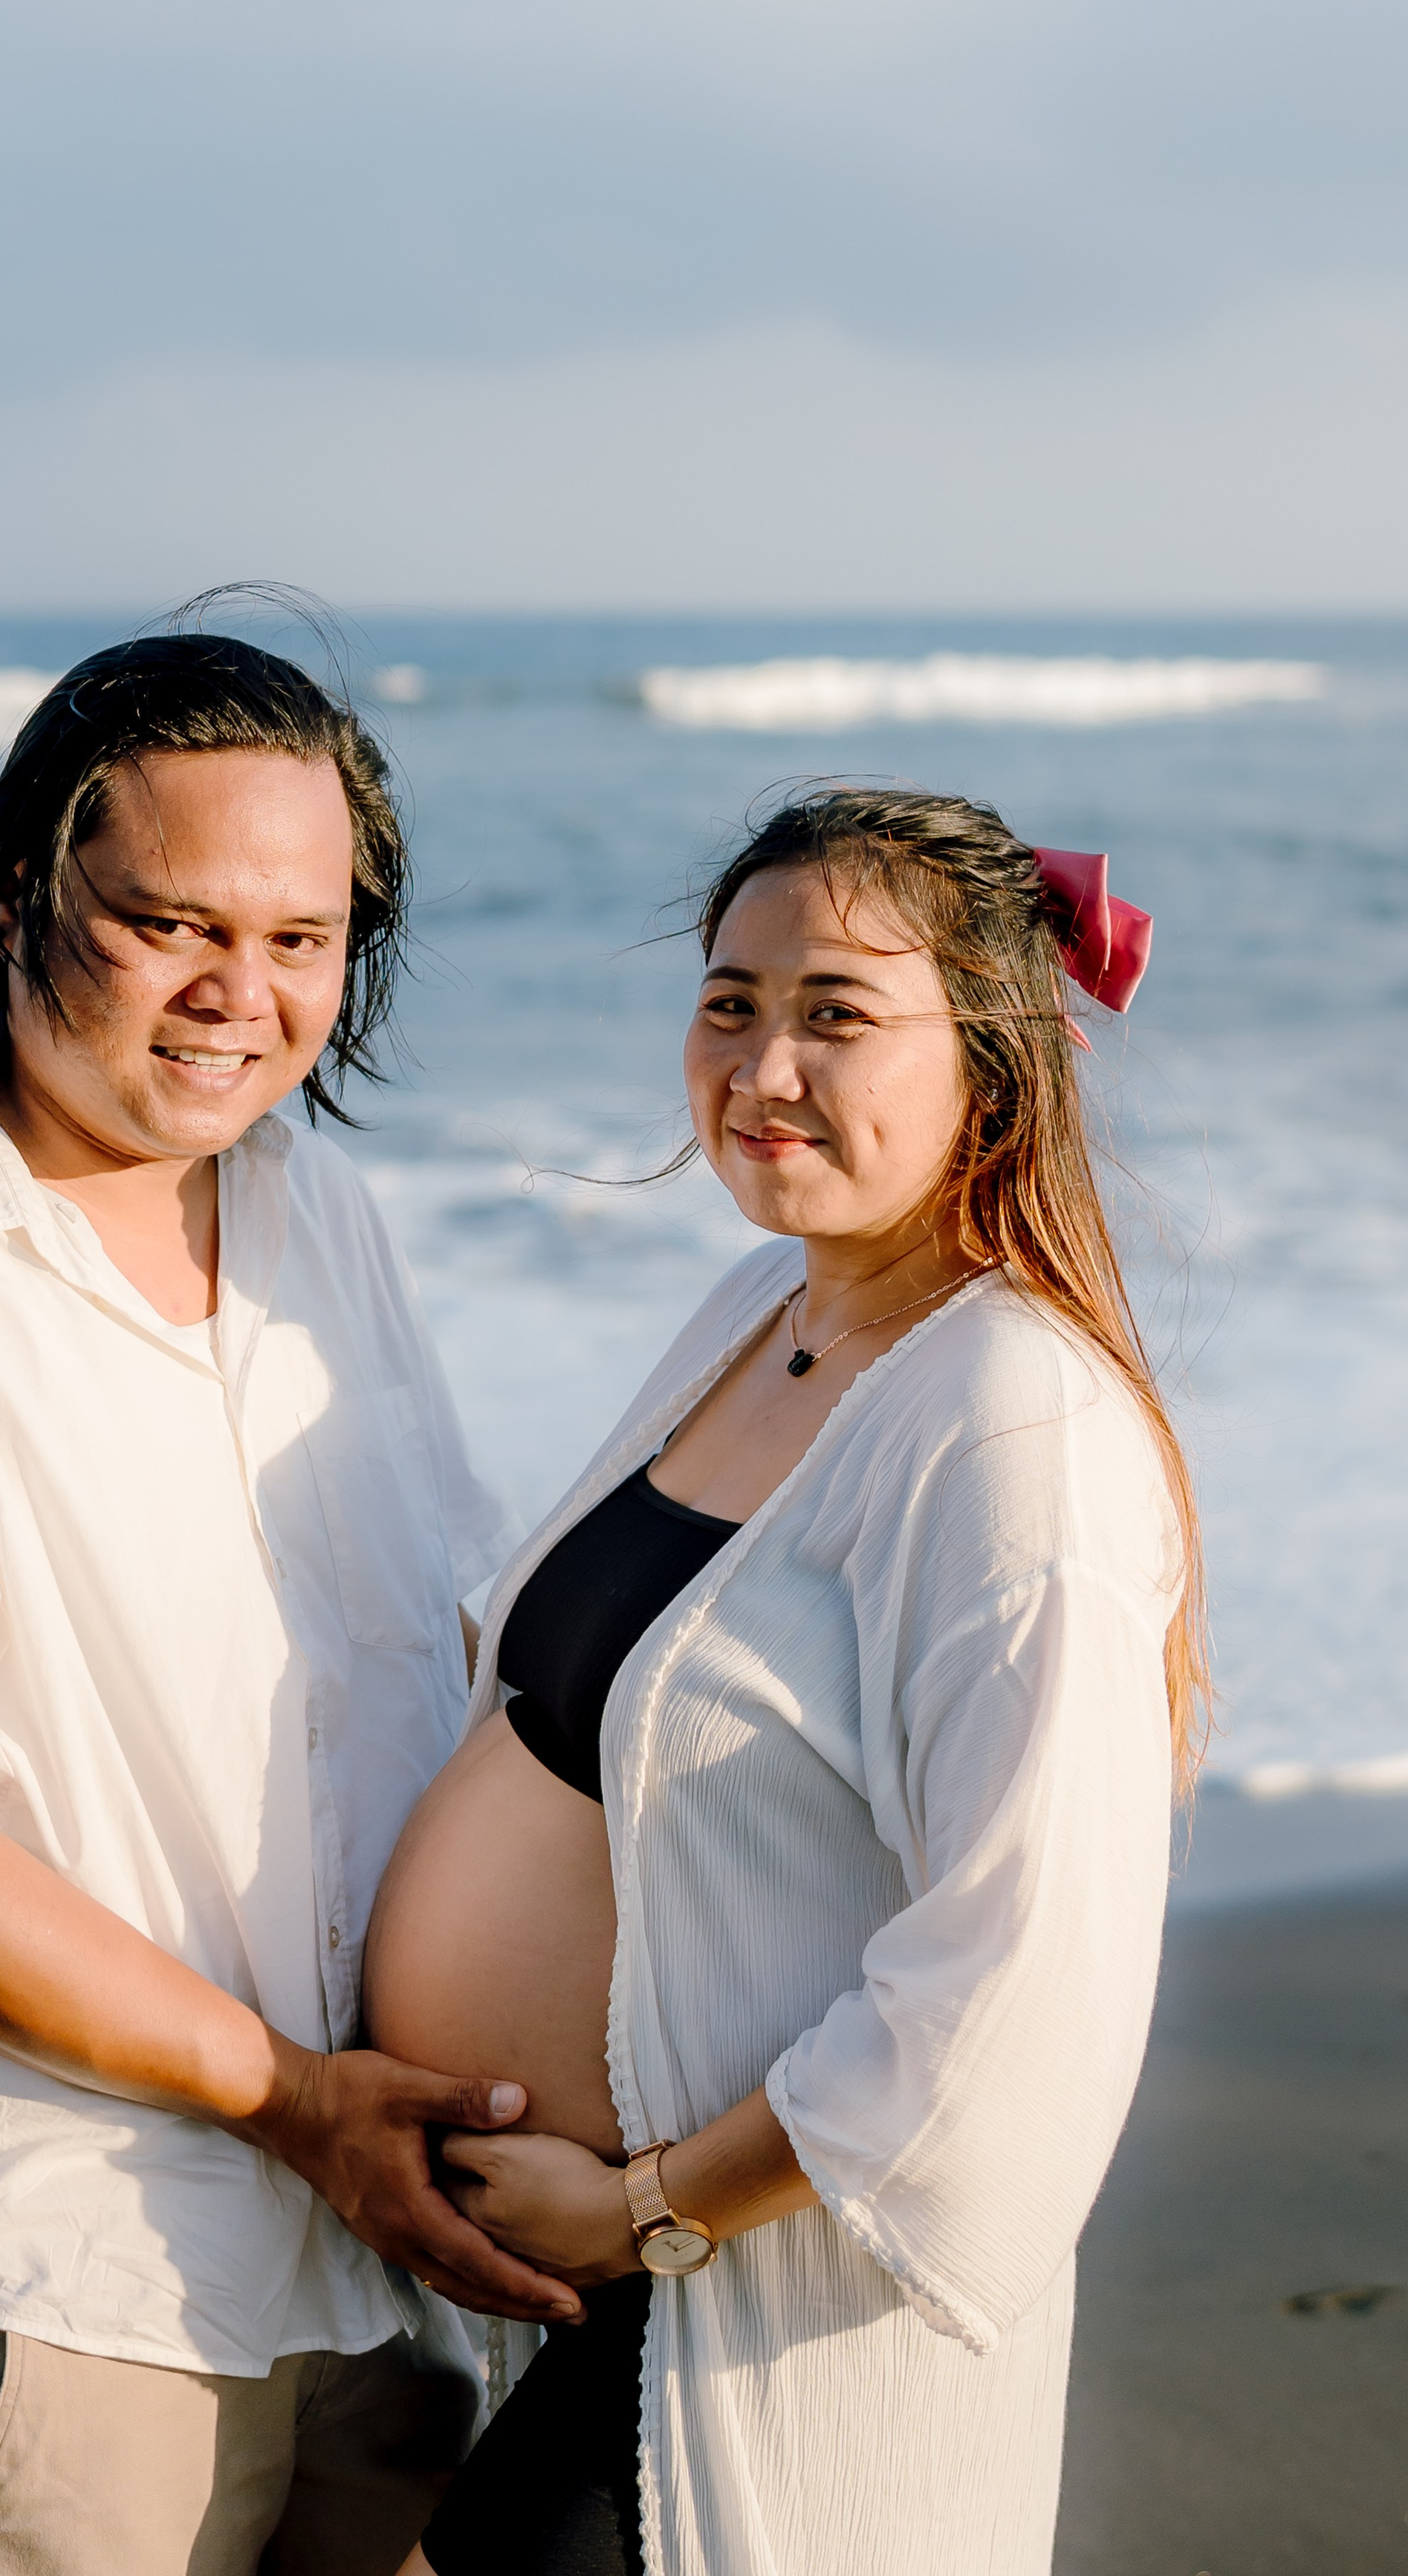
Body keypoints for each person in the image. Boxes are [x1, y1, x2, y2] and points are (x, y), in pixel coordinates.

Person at [0, 630, 585, 2576]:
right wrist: (293, 2100)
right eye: (171, 924)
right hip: (47, 2282)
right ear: (12, 893)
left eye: (303, 940)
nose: (242, 1001)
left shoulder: (319, 1219)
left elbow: (434, 1679)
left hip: (384, 2264)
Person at [363, 786, 1204, 2576]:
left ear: (990, 1053)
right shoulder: (767, 1316)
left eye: (833, 1013)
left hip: (747, 2312)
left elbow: (1017, 1968)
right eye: (727, 1003)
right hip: (598, 2305)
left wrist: (644, 2211)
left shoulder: (1008, 1421)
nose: (757, 1065)